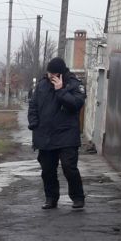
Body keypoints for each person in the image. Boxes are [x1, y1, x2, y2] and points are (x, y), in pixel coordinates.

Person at [28, 57, 86, 209]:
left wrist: (60, 90)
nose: (50, 76)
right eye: (49, 73)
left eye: (53, 74)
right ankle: (51, 198)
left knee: (69, 167)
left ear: (60, 74)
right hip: (45, 135)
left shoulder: (74, 85)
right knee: (47, 170)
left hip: (67, 134)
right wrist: (34, 123)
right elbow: (33, 105)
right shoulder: (41, 85)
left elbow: (75, 105)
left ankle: (78, 198)